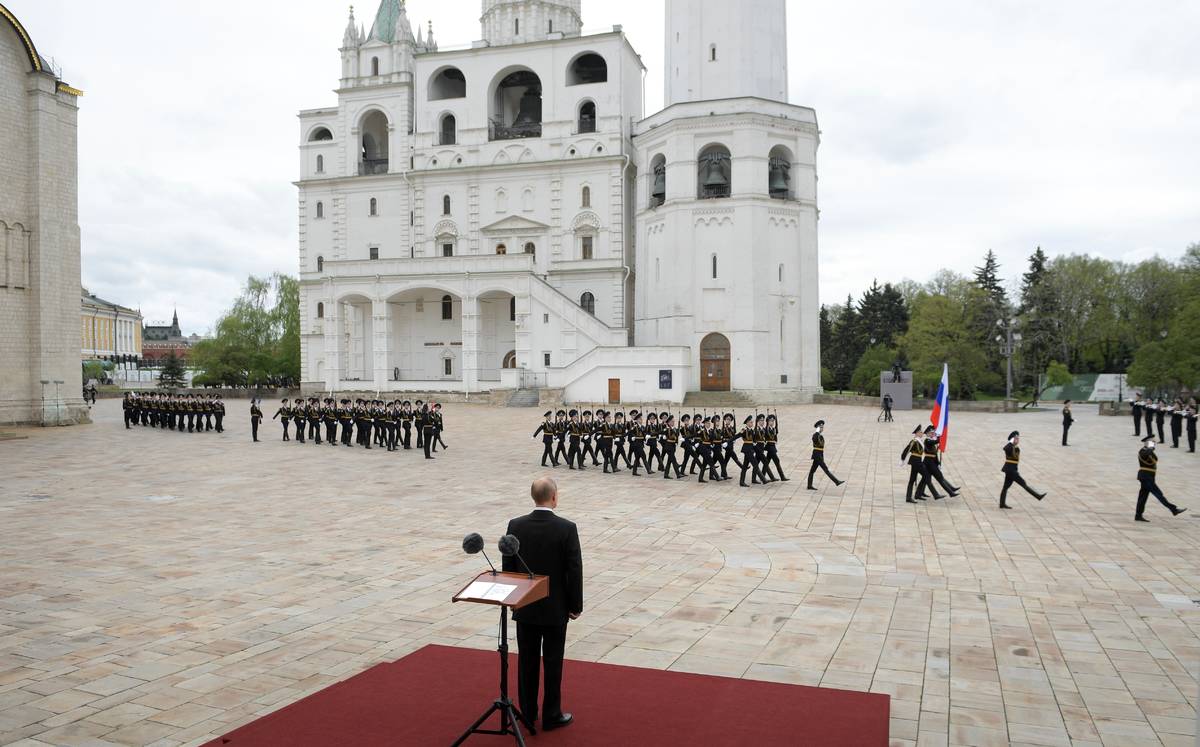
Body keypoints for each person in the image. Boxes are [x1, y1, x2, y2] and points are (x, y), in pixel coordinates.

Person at [504, 477, 583, 733]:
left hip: (525, 605)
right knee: (552, 661)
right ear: (554, 497)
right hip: (555, 608)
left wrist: (513, 600)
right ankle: (551, 714)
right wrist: (575, 605)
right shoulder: (566, 528)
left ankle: (527, 713)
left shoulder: (515, 525)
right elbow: (574, 569)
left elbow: (509, 569)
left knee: (526, 661)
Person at [1135, 436, 1187, 522]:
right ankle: (1173, 509)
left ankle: (1138, 515)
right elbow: (1145, 454)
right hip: (1145, 476)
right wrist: (1150, 447)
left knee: (1143, 496)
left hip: (1148, 476)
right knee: (1158, 494)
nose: (1154, 442)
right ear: (1147, 442)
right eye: (1152, 441)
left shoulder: (1149, 451)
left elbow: (1153, 459)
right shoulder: (1143, 451)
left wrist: (1151, 448)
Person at [999, 430, 1046, 509]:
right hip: (1011, 471)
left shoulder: (1015, 447)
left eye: (1018, 438)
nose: (1018, 440)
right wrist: (1011, 442)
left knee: (1006, 487)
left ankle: (1002, 504)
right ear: (1012, 439)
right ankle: (1038, 496)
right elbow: (1005, 448)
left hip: (1011, 469)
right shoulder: (1009, 446)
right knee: (1023, 483)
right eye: (1016, 438)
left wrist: (1013, 444)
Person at [900, 425, 940, 503]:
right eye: (921, 432)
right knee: (927, 476)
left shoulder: (919, 441)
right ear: (917, 433)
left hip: (916, 461)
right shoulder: (914, 441)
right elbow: (907, 449)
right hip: (916, 461)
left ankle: (910, 497)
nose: (922, 433)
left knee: (912, 479)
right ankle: (935, 494)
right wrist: (902, 459)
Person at [918, 425, 959, 497]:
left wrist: (938, 463)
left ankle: (919, 493)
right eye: (931, 433)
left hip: (931, 462)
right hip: (929, 463)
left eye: (933, 432)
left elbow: (934, 454)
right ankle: (951, 492)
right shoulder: (927, 440)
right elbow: (936, 441)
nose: (933, 434)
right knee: (939, 477)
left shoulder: (931, 440)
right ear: (927, 433)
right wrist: (940, 435)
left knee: (925, 479)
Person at [806, 419, 844, 490]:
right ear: (817, 428)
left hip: (819, 454)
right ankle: (836, 481)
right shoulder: (815, 435)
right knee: (826, 469)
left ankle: (809, 485)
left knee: (812, 470)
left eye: (822, 427)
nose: (822, 428)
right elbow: (815, 440)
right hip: (817, 455)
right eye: (820, 427)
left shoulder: (820, 435)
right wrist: (816, 432)